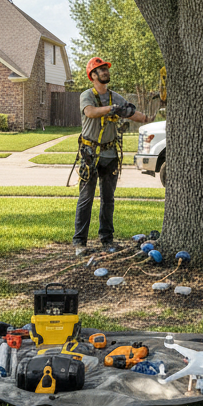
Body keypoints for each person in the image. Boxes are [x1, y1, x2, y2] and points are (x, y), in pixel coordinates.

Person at [73, 56, 150, 256]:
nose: (106, 72)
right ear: (93, 75)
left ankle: (107, 240)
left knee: (108, 199)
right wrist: (111, 109)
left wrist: (146, 118)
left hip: (110, 154)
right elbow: (90, 112)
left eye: (106, 68)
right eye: (101, 69)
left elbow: (130, 113)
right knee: (86, 198)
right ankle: (79, 243)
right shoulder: (86, 96)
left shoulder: (115, 97)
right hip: (90, 155)